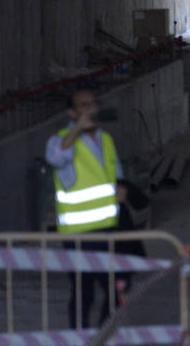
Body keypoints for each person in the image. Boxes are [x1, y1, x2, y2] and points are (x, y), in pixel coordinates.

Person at [45, 88, 131, 331]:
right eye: (84, 105)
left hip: (108, 229)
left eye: (93, 104)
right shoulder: (61, 139)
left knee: (116, 287)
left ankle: (103, 341)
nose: (91, 109)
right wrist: (77, 128)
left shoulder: (106, 139)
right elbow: (56, 158)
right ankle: (81, 344)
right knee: (84, 291)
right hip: (79, 233)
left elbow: (116, 173)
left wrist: (122, 188)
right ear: (72, 113)